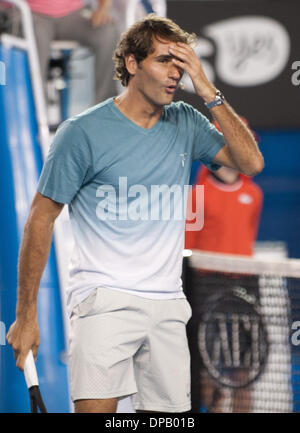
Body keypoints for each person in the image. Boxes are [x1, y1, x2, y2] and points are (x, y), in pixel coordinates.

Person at [6, 14, 264, 413]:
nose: (175, 74)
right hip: (103, 300)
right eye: (164, 61)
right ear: (131, 63)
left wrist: (207, 88)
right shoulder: (81, 133)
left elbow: (250, 163)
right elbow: (40, 219)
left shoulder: (188, 121)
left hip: (167, 306)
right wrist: (26, 316)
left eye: (181, 65)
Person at [184, 119, 264, 412]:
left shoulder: (254, 194)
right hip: (206, 286)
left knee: (245, 372)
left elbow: (246, 237)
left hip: (246, 287)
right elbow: (185, 248)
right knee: (207, 367)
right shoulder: (195, 195)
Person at [21, 0, 118, 103]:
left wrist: (103, 9)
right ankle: (36, 111)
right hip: (31, 13)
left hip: (73, 14)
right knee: (35, 44)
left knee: (107, 33)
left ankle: (106, 109)